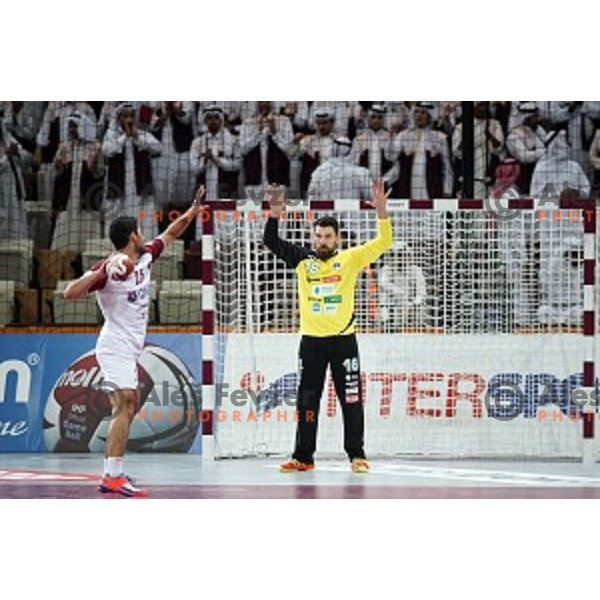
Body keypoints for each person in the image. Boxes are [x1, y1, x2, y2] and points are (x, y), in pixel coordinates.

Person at [62, 186, 206, 497]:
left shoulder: (144, 258)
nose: (144, 236)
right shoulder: (110, 269)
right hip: (113, 346)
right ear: (132, 237)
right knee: (125, 404)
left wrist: (193, 211)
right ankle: (112, 476)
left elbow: (170, 232)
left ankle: (112, 473)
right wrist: (100, 269)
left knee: (129, 404)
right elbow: (69, 293)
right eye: (140, 232)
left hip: (130, 348)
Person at [262, 181, 392, 473]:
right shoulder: (302, 261)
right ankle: (303, 457)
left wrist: (382, 213)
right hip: (311, 343)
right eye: (318, 236)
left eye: (327, 237)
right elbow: (271, 242)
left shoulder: (349, 259)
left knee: (351, 398)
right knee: (308, 402)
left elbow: (383, 243)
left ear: (337, 240)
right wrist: (274, 213)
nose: (322, 241)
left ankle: (357, 455)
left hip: (343, 342)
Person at [378, 241, 427, 331]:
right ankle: (386, 323)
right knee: (384, 297)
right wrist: (401, 293)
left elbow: (421, 291)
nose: (399, 258)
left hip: (411, 307)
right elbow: (384, 284)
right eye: (396, 255)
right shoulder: (386, 269)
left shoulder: (416, 270)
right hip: (394, 305)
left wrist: (414, 304)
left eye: (401, 255)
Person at [307, 136, 372, 200]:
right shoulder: (361, 173)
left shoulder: (319, 171)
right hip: (351, 209)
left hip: (325, 209)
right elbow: (374, 197)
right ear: (352, 151)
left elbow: (311, 199)